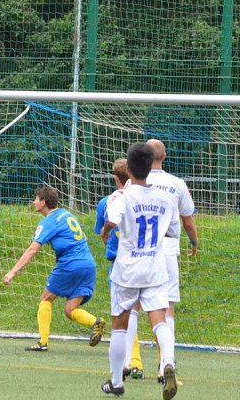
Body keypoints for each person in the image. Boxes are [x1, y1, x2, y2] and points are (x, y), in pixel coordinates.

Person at [100, 142, 179, 400]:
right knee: (159, 318)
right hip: (155, 267)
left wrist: (106, 231)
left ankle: (116, 381)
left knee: (120, 324)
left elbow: (112, 218)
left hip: (128, 268)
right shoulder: (166, 198)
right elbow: (172, 230)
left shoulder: (121, 196)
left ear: (129, 168)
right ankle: (168, 362)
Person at [3, 185, 105, 352]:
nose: (34, 202)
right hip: (88, 264)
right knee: (69, 310)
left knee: (45, 298)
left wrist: (12, 271)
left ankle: (43, 342)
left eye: (36, 199)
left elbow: (32, 250)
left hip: (70, 264)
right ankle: (95, 322)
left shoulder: (48, 221)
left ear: (43, 202)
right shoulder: (67, 215)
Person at [145, 139, 198, 384]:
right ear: (164, 156)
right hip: (166, 249)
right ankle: (167, 362)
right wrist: (194, 241)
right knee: (167, 306)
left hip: (140, 249)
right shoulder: (176, 184)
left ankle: (127, 364)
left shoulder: (134, 180)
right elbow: (187, 220)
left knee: (132, 305)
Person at [94, 158, 144, 380]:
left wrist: (107, 238)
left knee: (122, 315)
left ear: (116, 178)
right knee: (157, 314)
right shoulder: (143, 197)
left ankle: (125, 366)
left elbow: (103, 232)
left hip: (120, 263)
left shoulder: (107, 201)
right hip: (146, 259)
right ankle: (152, 363)